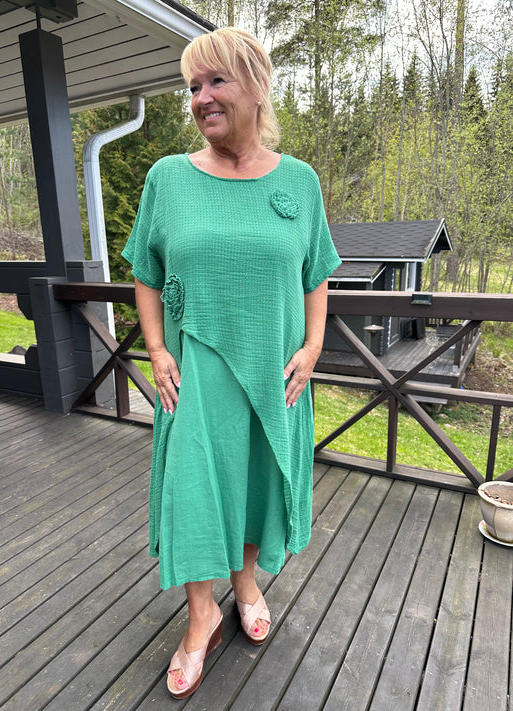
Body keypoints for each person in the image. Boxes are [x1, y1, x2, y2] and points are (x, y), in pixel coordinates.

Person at [122, 27, 341, 699]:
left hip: (274, 372)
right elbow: (145, 273)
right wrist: (157, 348)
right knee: (195, 489)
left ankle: (245, 583)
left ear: (257, 86)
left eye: (216, 80)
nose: (201, 98)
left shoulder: (299, 181)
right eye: (193, 86)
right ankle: (201, 616)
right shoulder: (168, 178)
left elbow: (316, 275)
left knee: (254, 482)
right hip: (194, 373)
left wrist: (313, 345)